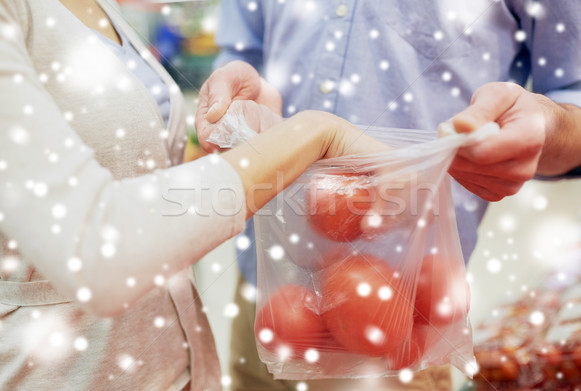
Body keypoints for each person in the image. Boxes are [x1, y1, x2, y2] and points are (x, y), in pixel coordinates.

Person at [195, 1, 581, 390]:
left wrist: (549, 128)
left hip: (400, 317)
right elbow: (244, 49)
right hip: (268, 292)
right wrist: (240, 101)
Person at [0, 0, 387, 389]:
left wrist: (245, 136)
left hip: (170, 365)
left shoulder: (97, 7)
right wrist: (309, 135)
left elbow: (132, 186)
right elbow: (96, 248)